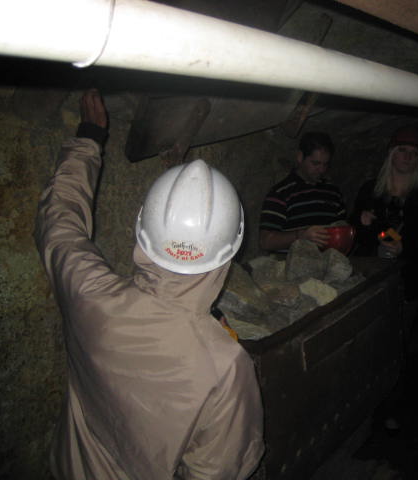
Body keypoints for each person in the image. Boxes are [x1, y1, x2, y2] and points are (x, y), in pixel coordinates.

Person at [35, 89, 264, 480]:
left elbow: (59, 225)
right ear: (230, 251)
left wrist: (89, 137)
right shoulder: (225, 368)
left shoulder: (89, 294)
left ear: (141, 229)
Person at [352, 125, 418, 302]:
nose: (407, 157)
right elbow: (354, 232)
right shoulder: (371, 190)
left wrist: (405, 247)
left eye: (414, 153)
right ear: (392, 154)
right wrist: (361, 221)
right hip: (371, 276)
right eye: (402, 150)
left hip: (411, 279)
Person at [259, 131, 347, 252]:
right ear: (300, 157)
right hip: (292, 263)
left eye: (325, 164)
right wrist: (301, 236)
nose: (321, 170)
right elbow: (265, 242)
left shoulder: (333, 192)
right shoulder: (280, 194)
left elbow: (342, 228)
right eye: (316, 163)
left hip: (328, 262)